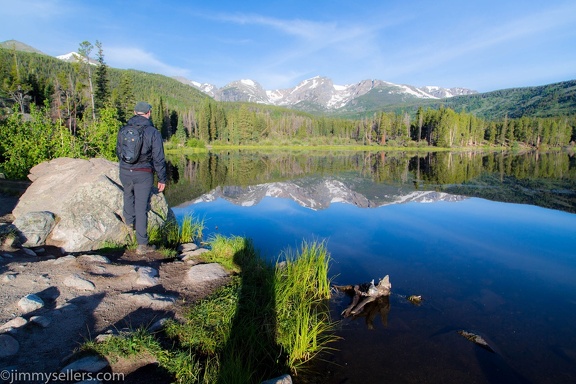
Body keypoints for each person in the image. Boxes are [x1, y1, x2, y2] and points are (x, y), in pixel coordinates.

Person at [116, 101, 167, 254]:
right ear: (149, 113)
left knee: (127, 195)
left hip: (125, 170)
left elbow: (118, 150)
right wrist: (162, 178)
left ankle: (129, 225)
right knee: (141, 207)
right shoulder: (153, 132)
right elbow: (159, 158)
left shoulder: (124, 129)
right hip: (144, 173)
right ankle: (142, 245)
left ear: (135, 112)